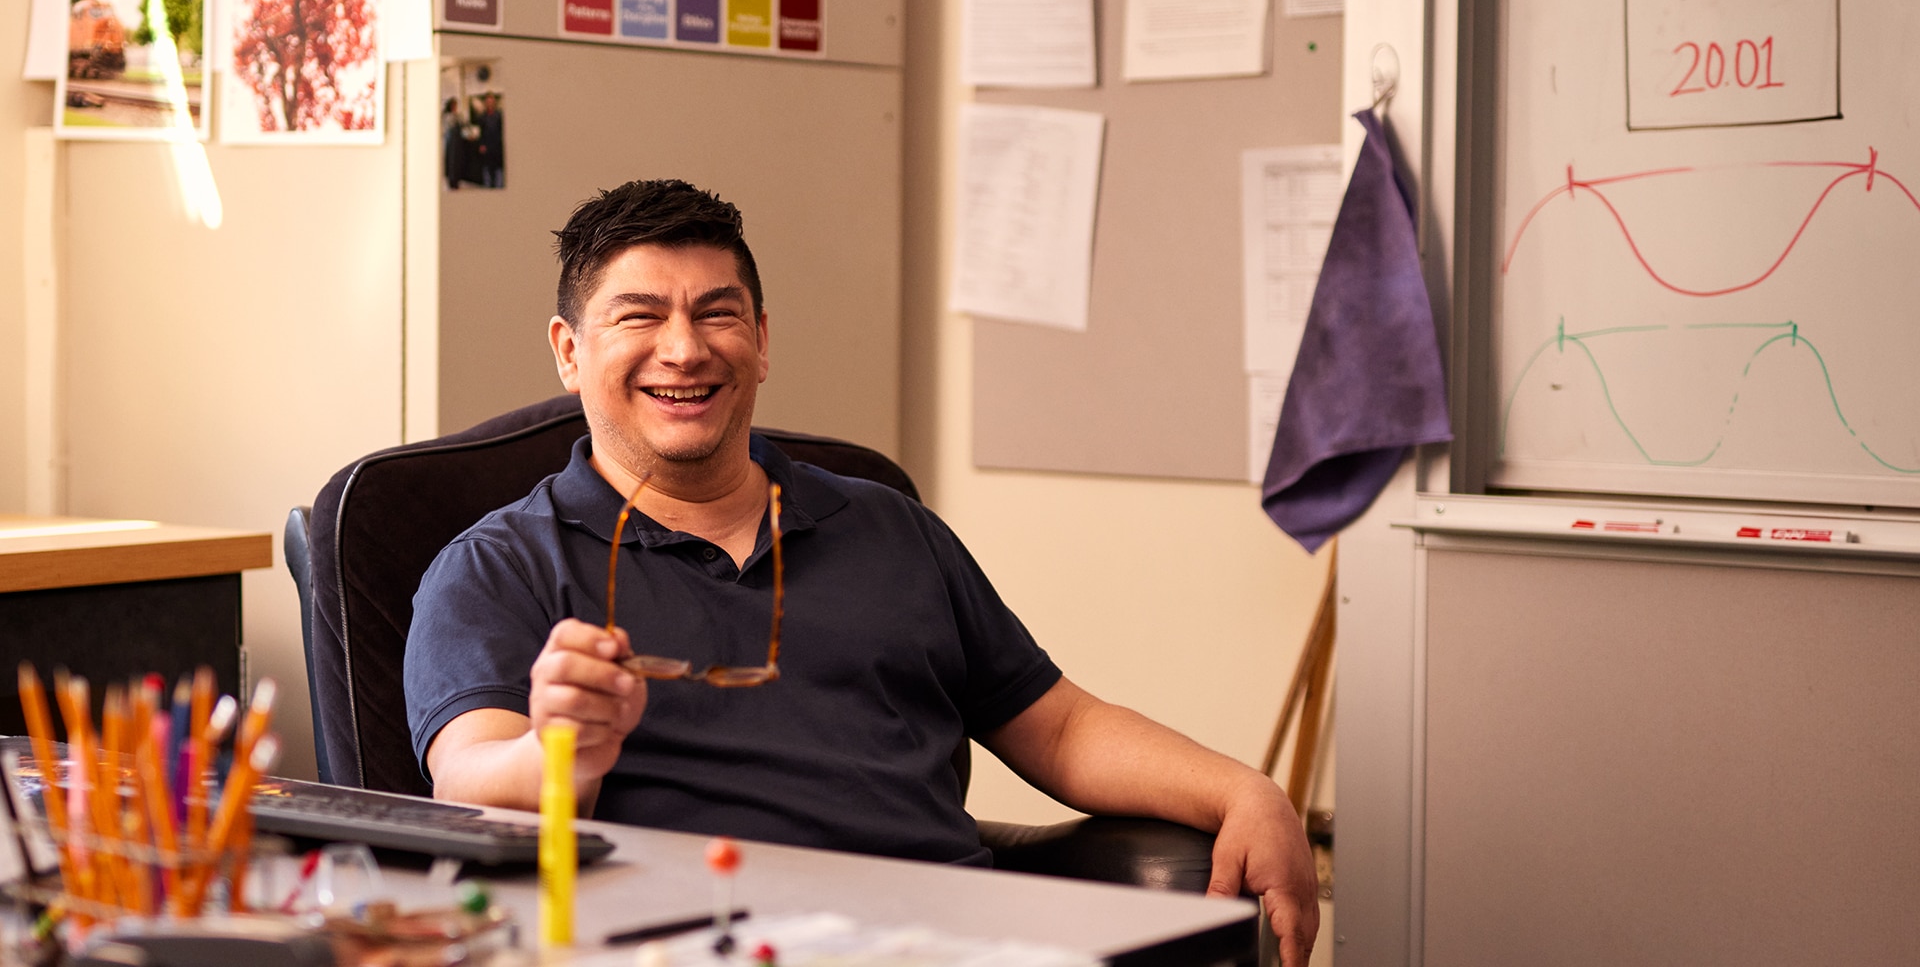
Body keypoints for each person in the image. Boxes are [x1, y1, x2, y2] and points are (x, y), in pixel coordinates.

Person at [404, 179, 1318, 963]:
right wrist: (560, 752)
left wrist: (1246, 789)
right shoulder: (498, 566)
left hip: (951, 939)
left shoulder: (887, 526)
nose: (684, 349)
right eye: (639, 316)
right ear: (569, 351)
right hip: (707, 941)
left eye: (716, 313)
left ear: (760, 339)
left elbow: (1063, 728)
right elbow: (467, 780)